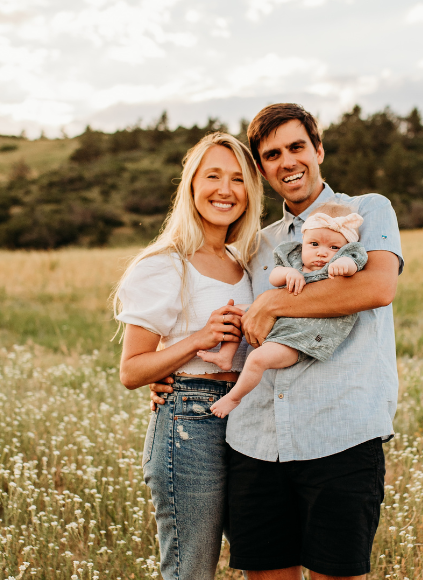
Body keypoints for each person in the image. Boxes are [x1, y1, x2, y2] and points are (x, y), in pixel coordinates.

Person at [151, 103, 404, 580]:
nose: (287, 162)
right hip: (256, 444)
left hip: (339, 436)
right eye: (272, 155)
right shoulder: (256, 244)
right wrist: (172, 372)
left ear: (318, 149)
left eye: (296, 147)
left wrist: (274, 302)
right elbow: (225, 316)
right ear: (262, 169)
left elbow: (377, 287)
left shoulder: (367, 210)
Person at [112, 132, 264, 580]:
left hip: (249, 420)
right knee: (191, 570)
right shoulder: (165, 263)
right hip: (190, 423)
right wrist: (197, 340)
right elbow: (132, 370)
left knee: (266, 558)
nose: (225, 189)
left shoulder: (245, 261)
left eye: (238, 178)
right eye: (212, 176)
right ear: (191, 184)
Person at [200, 202, 368, 418]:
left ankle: (234, 397)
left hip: (299, 338)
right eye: (314, 244)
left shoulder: (342, 262)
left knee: (257, 359)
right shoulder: (294, 258)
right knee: (233, 311)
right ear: (303, 241)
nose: (322, 253)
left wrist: (344, 264)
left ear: (346, 248)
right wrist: (289, 273)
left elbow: (355, 262)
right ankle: (226, 355)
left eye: (334, 248)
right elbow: (274, 276)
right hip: (276, 317)